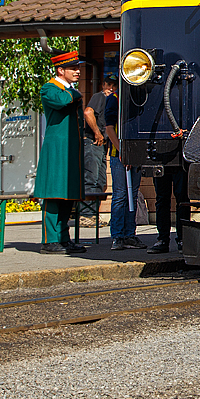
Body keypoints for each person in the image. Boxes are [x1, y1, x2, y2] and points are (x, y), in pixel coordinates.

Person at [35, 51, 88, 254]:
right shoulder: (49, 88)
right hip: (57, 148)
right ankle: (49, 240)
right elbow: (62, 101)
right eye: (73, 68)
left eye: (78, 68)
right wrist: (74, 94)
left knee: (67, 195)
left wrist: (74, 94)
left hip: (70, 149)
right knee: (53, 194)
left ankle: (63, 238)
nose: (77, 71)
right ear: (60, 70)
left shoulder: (68, 89)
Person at [104, 79, 142, 250]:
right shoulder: (115, 98)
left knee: (132, 196)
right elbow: (109, 128)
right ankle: (118, 235)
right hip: (119, 154)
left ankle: (130, 234)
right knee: (120, 195)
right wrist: (122, 152)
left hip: (137, 153)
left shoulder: (140, 97)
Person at [79, 77, 113, 224]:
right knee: (91, 179)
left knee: (100, 181)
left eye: (114, 85)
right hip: (92, 142)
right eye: (109, 84)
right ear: (103, 84)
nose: (111, 88)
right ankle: (85, 216)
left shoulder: (112, 100)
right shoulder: (99, 96)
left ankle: (93, 215)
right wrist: (97, 133)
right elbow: (87, 113)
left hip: (101, 145)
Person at [148, 161, 189, 254]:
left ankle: (182, 238)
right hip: (160, 160)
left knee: (182, 199)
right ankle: (163, 239)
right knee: (162, 199)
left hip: (179, 161)